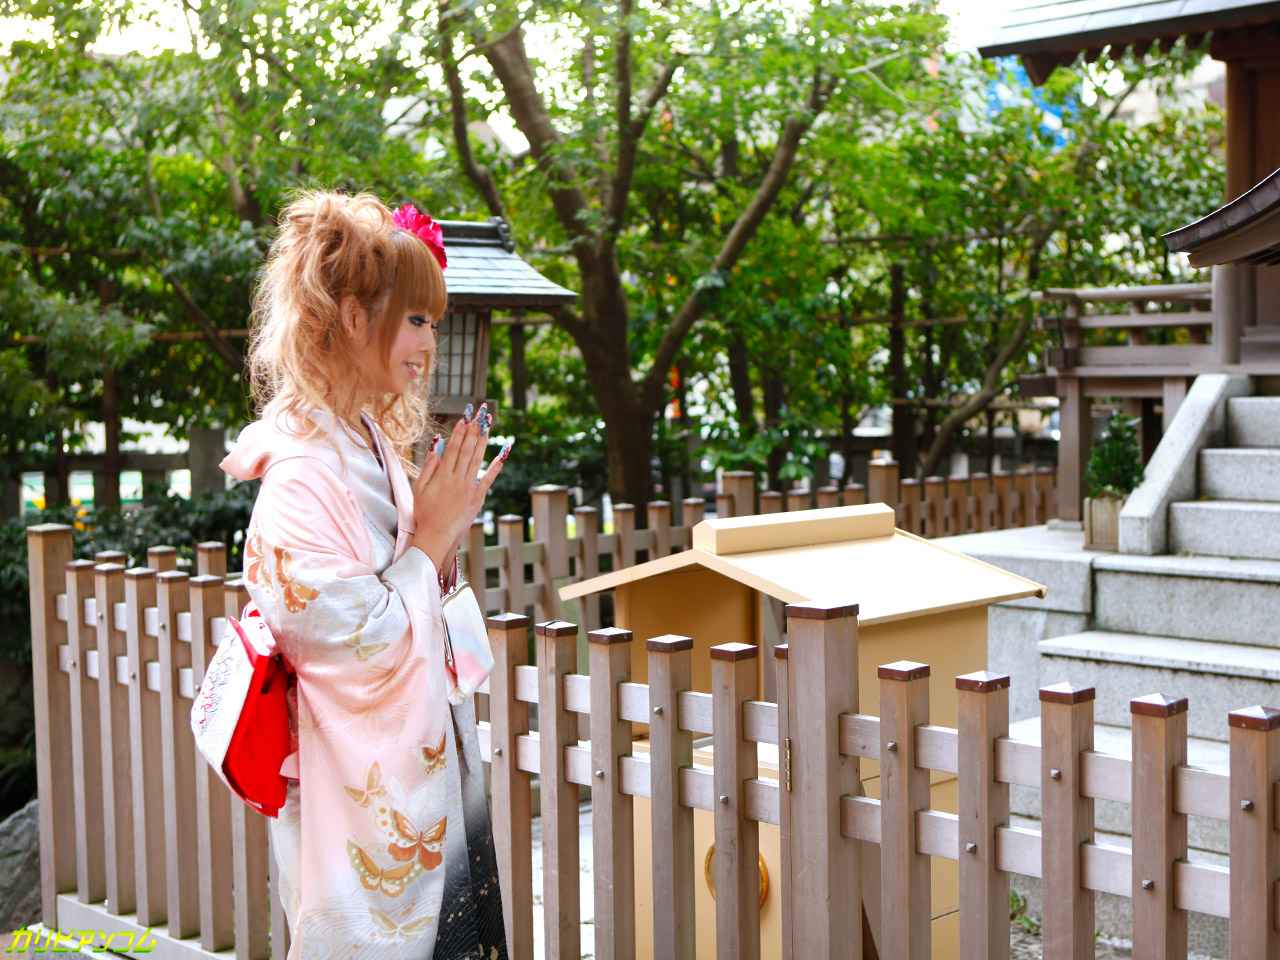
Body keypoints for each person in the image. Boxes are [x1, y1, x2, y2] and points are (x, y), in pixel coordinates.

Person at [220, 190, 511, 959]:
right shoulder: (301, 477)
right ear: (353, 318)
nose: (429, 344)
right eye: (416, 320)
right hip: (354, 801)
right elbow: (358, 646)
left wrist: (440, 536)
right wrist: (431, 539)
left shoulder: (365, 442)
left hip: (421, 772)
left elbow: (412, 595)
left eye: (434, 323)